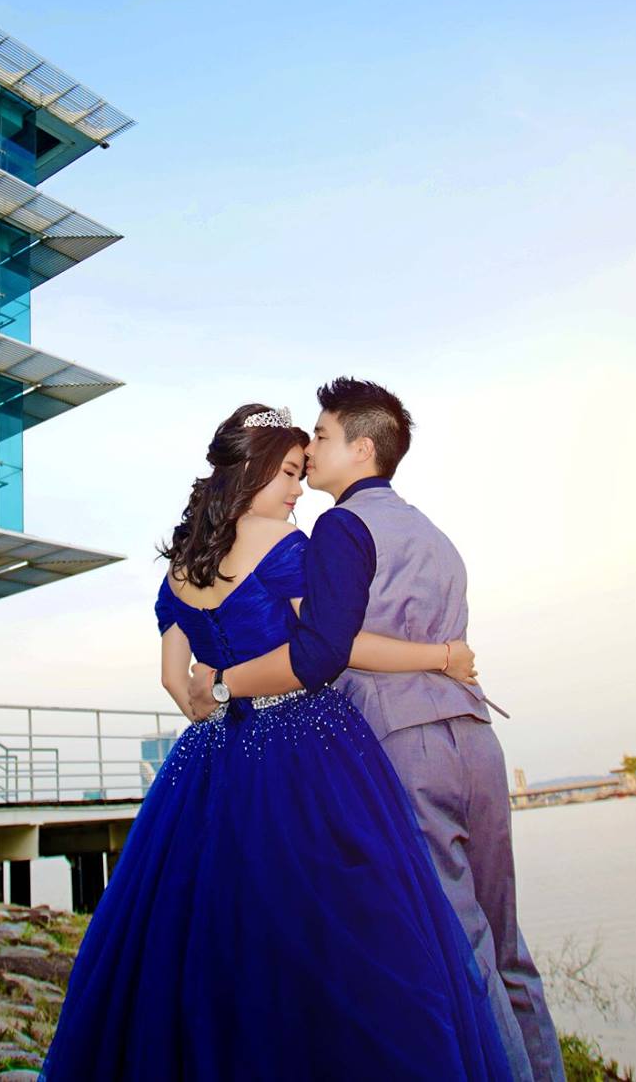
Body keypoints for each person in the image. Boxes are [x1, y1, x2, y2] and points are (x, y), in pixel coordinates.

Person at [39, 403, 515, 1081]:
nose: (298, 486)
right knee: (347, 938)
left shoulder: (182, 564)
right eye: (289, 471)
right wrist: (439, 656)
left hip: (212, 758)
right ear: (256, 469)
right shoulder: (289, 542)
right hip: (307, 746)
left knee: (217, 937)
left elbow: (177, 682)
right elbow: (330, 648)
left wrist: (214, 696)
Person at [193, 378, 565, 1082]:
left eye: (324, 436)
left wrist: (221, 679)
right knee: (507, 942)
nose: (312, 446)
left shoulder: (338, 526)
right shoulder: (434, 532)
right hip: (475, 733)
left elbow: (326, 648)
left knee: (459, 943)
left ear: (363, 448)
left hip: (403, 741)